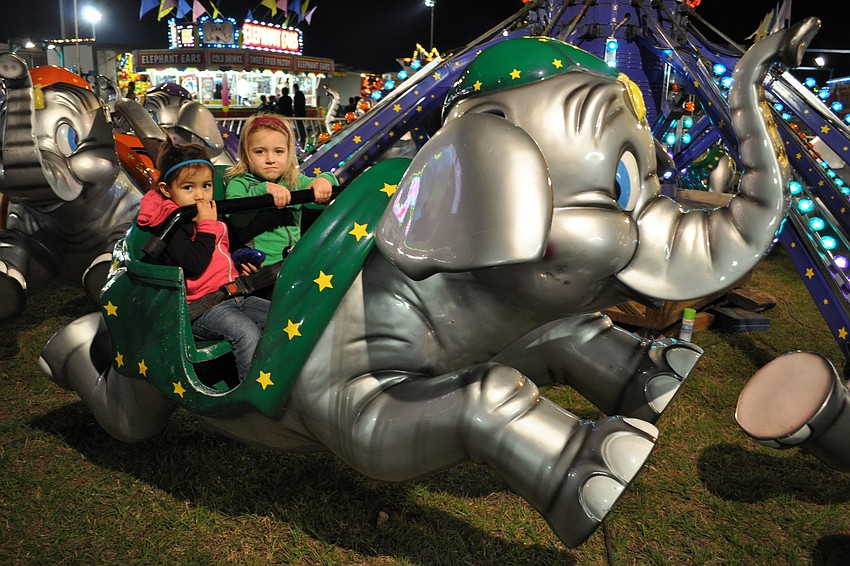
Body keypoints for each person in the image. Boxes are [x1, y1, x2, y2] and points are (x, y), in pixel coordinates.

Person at [137, 141, 269, 383]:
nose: (200, 195)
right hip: (203, 308)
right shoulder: (174, 223)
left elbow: (215, 255)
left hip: (233, 295)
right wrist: (207, 225)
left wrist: (237, 263)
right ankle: (250, 397)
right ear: (167, 190)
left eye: (206, 186)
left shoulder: (203, 215)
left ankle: (280, 383)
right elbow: (194, 265)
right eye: (188, 187)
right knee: (246, 334)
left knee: (281, 317)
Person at [224, 114, 336, 264]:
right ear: (246, 154)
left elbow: (321, 183)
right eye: (260, 152)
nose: (270, 160)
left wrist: (323, 180)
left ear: (289, 153)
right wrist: (263, 190)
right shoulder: (240, 183)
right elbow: (237, 220)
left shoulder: (292, 181)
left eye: (278, 151)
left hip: (293, 261)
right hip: (260, 265)